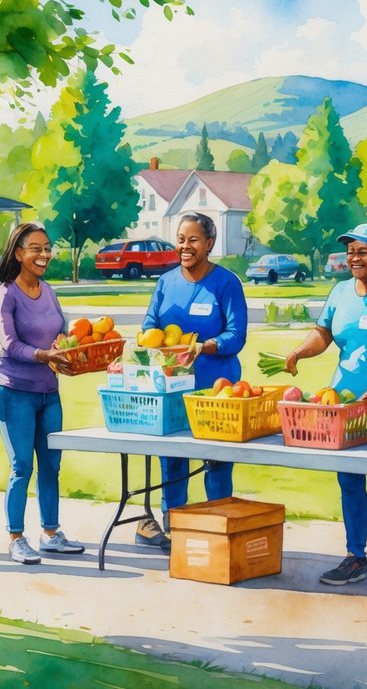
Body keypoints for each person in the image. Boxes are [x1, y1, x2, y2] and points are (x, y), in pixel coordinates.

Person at [284, 223, 367, 594]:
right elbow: (324, 333)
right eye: (351, 251)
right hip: (343, 403)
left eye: (363, 251)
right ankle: (355, 557)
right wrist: (299, 351)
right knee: (349, 480)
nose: (354, 258)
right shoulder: (341, 292)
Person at [135, 213, 249, 551]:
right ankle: (175, 527)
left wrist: (207, 346)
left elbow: (237, 334)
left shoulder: (226, 283)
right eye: (181, 239)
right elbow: (150, 322)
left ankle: (219, 526)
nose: (185, 246)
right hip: (171, 386)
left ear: (209, 244)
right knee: (171, 459)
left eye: (194, 240)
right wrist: (145, 339)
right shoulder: (166, 282)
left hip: (216, 388)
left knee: (216, 459)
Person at [0, 222, 86, 564]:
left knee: (51, 464)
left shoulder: (48, 290)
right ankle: (16, 538)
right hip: (14, 391)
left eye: (47, 248)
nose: (45, 254)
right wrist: (42, 355)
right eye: (36, 248)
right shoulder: (6, 294)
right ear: (18, 253)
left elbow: (61, 331)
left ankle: (51, 533)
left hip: (49, 392)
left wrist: (72, 347)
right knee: (21, 466)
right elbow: (11, 344)